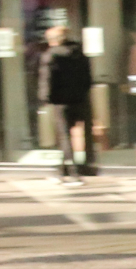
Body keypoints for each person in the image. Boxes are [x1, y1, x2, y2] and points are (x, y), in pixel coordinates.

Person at [37, 24, 94, 182]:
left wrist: (45, 98)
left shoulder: (51, 55)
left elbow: (46, 79)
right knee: (79, 133)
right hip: (79, 99)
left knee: (64, 136)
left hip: (60, 101)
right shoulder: (79, 53)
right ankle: (65, 168)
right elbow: (88, 78)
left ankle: (73, 170)